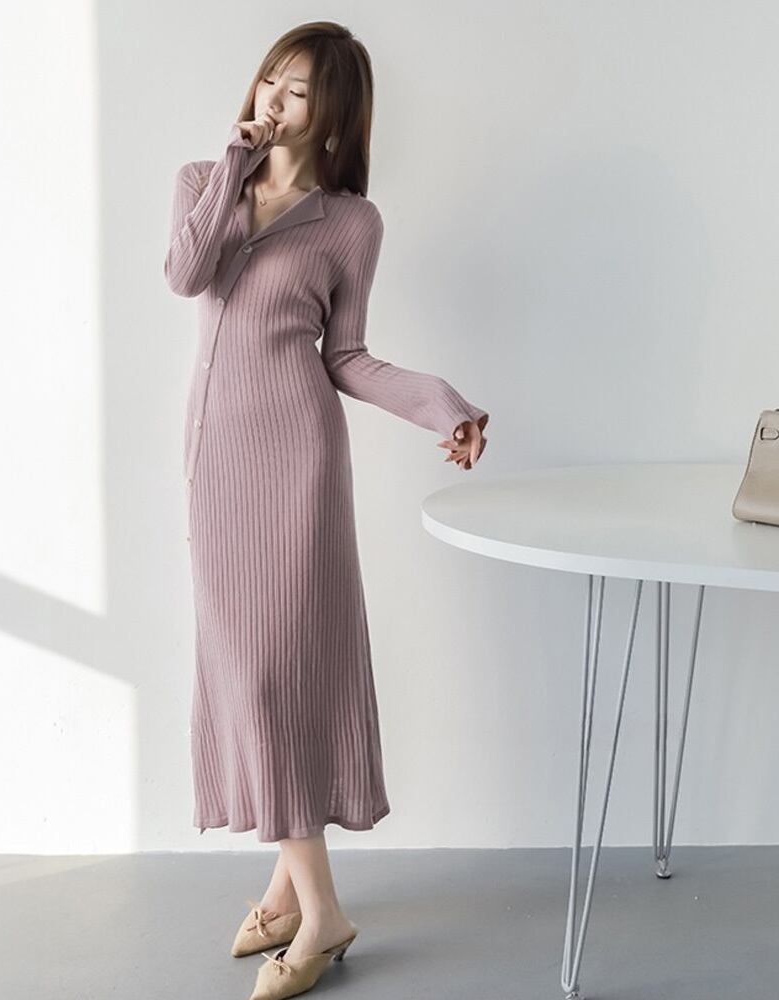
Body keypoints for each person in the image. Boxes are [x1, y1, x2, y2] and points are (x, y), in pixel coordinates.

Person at [164, 21, 489, 999]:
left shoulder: (351, 223)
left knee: (277, 677)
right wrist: (237, 164)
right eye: (272, 76)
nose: (274, 97)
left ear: (332, 113)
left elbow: (346, 358)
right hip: (215, 463)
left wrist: (445, 405)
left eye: (298, 90)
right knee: (248, 672)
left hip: (297, 462)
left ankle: (321, 914)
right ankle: (285, 891)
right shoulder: (204, 181)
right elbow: (185, 274)